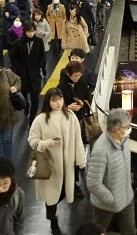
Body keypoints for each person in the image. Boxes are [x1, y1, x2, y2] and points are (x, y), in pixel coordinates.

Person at [28, 88, 86, 235]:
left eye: (60, 99)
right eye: (54, 100)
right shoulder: (41, 119)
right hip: (50, 165)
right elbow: (32, 140)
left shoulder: (70, 116)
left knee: (64, 191)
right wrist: (45, 143)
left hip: (67, 164)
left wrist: (81, 160)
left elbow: (78, 140)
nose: (58, 103)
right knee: (51, 195)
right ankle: (52, 220)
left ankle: (52, 215)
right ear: (48, 102)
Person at [87, 108, 136, 235]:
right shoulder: (100, 150)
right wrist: (112, 199)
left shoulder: (125, 140)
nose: (129, 128)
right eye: (127, 126)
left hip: (127, 198)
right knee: (99, 231)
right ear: (117, 128)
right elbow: (93, 183)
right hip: (106, 205)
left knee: (130, 231)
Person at [57, 61, 93, 197]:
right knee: (68, 154)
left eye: (79, 75)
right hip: (66, 124)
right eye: (75, 75)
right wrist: (68, 108)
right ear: (68, 73)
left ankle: (75, 180)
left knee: (77, 151)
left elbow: (88, 98)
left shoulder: (82, 83)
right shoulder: (61, 87)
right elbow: (55, 106)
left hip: (80, 121)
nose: (77, 78)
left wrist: (82, 103)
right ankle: (69, 182)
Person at [9, 20, 47, 126]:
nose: (31, 33)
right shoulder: (19, 42)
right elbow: (12, 56)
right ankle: (26, 107)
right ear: (25, 31)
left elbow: (42, 56)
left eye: (33, 31)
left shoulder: (39, 42)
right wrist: (19, 68)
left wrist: (38, 67)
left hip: (35, 75)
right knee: (24, 95)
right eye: (29, 31)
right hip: (23, 75)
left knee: (35, 98)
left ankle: (32, 120)